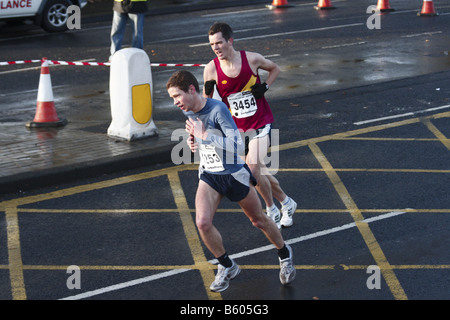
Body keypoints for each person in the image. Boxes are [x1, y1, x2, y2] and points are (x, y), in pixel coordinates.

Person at [166, 70, 296, 292]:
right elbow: (199, 133)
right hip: (209, 174)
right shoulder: (188, 111)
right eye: (172, 99)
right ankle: (227, 266)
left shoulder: (218, 110)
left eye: (177, 96)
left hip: (233, 174)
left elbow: (237, 146)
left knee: (258, 221)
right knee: (202, 223)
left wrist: (205, 135)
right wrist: (193, 142)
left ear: (191, 89)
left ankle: (285, 255)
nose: (175, 102)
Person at [203, 22, 297, 229]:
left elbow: (275, 68)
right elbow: (206, 103)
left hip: (260, 123)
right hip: (236, 130)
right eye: (212, 44)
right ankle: (285, 203)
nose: (216, 48)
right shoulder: (211, 69)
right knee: (259, 170)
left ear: (230, 41)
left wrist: (264, 87)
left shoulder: (251, 59)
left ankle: (272, 209)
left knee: (253, 168)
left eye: (219, 42)